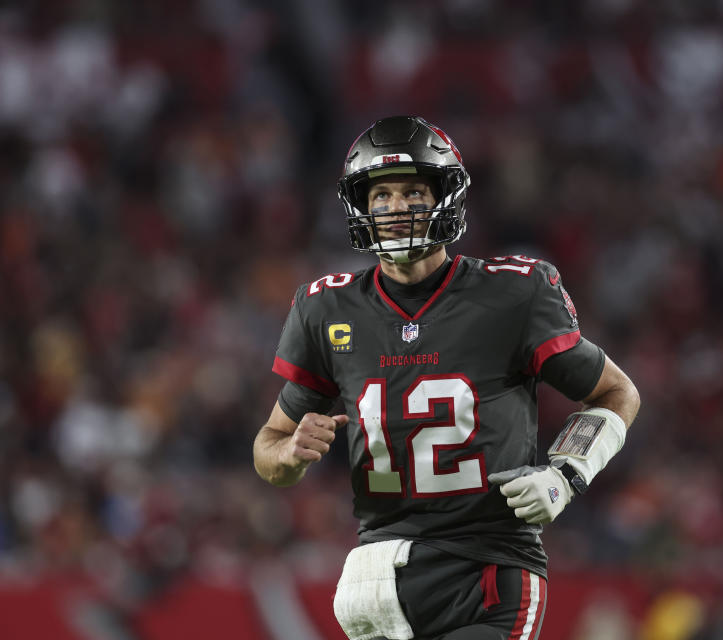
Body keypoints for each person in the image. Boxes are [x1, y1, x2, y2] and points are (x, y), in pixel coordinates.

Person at [253, 116, 640, 640]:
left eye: (412, 191)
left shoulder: (514, 293)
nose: (393, 208)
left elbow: (616, 393)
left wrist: (566, 473)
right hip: (379, 578)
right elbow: (269, 452)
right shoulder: (326, 308)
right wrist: (290, 452)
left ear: (445, 196)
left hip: (486, 569)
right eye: (380, 194)